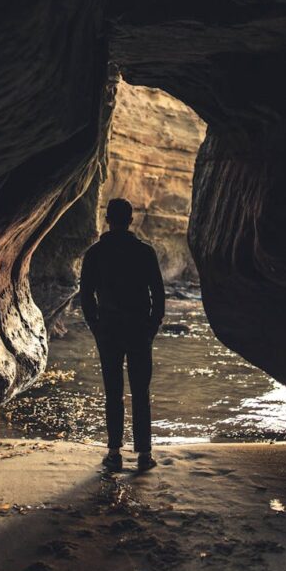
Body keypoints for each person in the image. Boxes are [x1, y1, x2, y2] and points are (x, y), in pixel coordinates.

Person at [79, 198, 165, 472]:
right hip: (139, 329)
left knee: (113, 392)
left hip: (109, 329)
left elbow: (86, 297)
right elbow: (159, 295)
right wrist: (152, 327)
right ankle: (143, 455)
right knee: (141, 392)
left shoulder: (95, 254)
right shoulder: (145, 252)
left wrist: (96, 326)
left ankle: (114, 452)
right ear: (130, 220)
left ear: (107, 219)